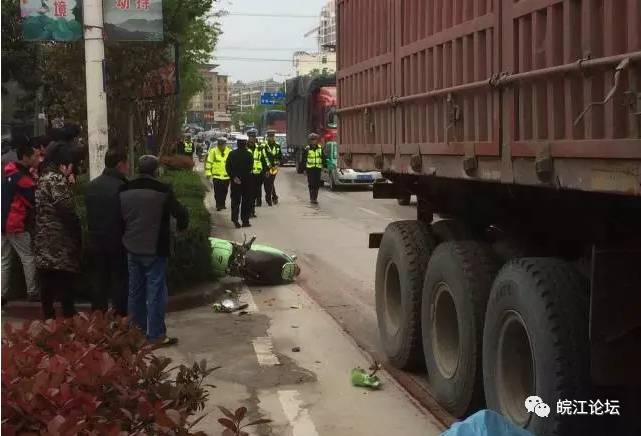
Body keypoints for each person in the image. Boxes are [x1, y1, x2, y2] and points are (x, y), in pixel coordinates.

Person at [120, 155, 188, 346]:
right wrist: (183, 227)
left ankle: (136, 334)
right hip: (155, 248)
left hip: (132, 247)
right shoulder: (163, 190)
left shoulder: (125, 189)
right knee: (156, 292)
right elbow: (180, 213)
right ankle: (156, 334)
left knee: (134, 292)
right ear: (156, 170)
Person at [34, 143, 81, 319]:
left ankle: (48, 321)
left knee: (46, 283)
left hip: (43, 239)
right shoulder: (55, 179)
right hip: (59, 241)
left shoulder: (42, 177)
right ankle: (68, 321)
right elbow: (65, 209)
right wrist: (77, 232)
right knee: (65, 283)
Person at [85, 148, 129, 316]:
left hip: (95, 241)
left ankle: (97, 319)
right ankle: (120, 319)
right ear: (120, 165)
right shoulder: (123, 187)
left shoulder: (92, 186)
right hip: (117, 241)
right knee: (119, 281)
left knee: (98, 281)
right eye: (126, 164)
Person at [2, 143, 40, 304]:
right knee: (28, 258)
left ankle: (2, 293)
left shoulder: (7, 173)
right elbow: (33, 201)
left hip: (2, 222)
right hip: (17, 224)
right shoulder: (22, 180)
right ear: (25, 157)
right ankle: (32, 292)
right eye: (35, 156)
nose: (37, 159)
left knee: (4, 260)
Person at [225, 135, 253, 228]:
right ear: (245, 143)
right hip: (247, 181)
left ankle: (235, 220)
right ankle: (245, 221)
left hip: (235, 181)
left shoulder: (232, 154)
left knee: (235, 201)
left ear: (237, 143)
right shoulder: (249, 154)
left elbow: (228, 167)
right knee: (246, 201)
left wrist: (234, 177)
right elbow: (250, 168)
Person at [205, 137, 231, 211]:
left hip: (226, 176)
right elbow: (209, 162)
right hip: (217, 176)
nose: (221, 146)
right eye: (220, 145)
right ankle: (218, 204)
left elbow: (232, 164)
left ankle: (222, 204)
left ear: (225, 144)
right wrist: (208, 173)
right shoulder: (213, 151)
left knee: (224, 191)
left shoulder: (229, 151)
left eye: (223, 145)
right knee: (217, 191)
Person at [247, 131, 268, 217]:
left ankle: (252, 210)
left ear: (255, 138)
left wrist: (266, 170)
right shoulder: (245, 148)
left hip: (258, 174)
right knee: (249, 194)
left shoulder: (259, 148)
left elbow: (264, 160)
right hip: (248, 175)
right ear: (248, 138)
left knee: (255, 193)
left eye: (254, 137)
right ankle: (250, 211)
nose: (252, 139)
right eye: (251, 137)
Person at [302, 133, 326, 204]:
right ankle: (312, 198)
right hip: (310, 169)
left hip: (318, 169)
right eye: (312, 140)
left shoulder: (320, 148)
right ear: (309, 141)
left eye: (315, 140)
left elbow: (323, 157)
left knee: (317, 184)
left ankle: (315, 198)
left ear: (317, 140)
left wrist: (324, 165)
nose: (313, 141)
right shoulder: (307, 149)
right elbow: (304, 160)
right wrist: (304, 169)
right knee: (311, 183)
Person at [262, 130, 283, 206]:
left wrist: (278, 164)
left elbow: (280, 156)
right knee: (268, 183)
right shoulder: (264, 146)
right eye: (270, 136)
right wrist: (266, 168)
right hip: (266, 167)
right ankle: (272, 197)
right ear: (267, 137)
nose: (271, 138)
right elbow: (263, 157)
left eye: (272, 136)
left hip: (274, 168)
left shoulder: (277, 145)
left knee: (270, 182)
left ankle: (271, 198)